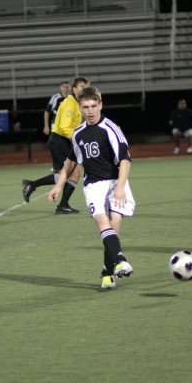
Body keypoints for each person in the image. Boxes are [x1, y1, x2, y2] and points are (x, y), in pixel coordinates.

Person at [48, 86, 135, 289]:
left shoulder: (111, 128)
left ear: (100, 104)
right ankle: (120, 260)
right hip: (93, 185)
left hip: (115, 182)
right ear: (80, 108)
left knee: (113, 227)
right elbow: (70, 162)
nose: (90, 111)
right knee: (101, 222)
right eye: (86, 107)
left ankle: (107, 272)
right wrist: (58, 186)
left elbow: (125, 159)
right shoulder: (78, 133)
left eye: (94, 106)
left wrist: (120, 187)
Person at [22, 77, 89, 213]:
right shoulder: (69, 104)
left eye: (85, 86)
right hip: (60, 141)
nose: (84, 88)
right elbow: (64, 128)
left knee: (74, 173)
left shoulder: (78, 103)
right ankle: (33, 185)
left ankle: (62, 204)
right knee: (67, 174)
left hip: (66, 141)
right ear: (74, 89)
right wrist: (78, 139)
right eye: (81, 86)